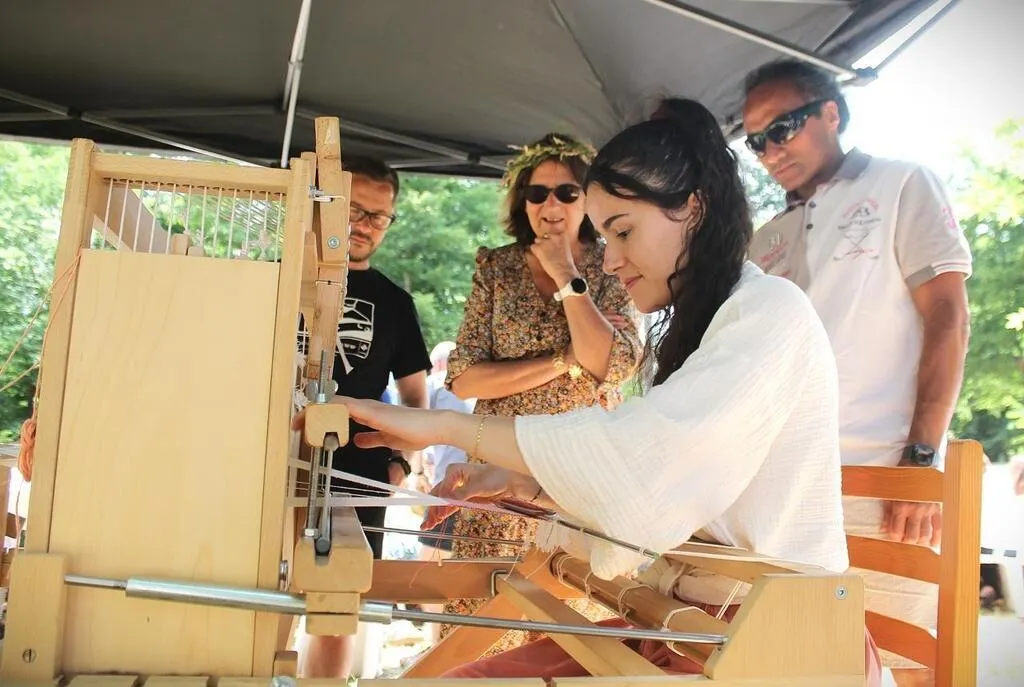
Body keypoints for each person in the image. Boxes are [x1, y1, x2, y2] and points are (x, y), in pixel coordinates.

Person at [293, 98, 882, 684]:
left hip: (773, 643)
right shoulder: (693, 321)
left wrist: (448, 427)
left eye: (623, 232)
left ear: (694, 208)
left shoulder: (770, 311)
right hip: (693, 626)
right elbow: (646, 465)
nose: (615, 260)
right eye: (604, 236)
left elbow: (646, 457)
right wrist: (527, 481)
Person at [740, 59, 972, 669]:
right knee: (798, 666)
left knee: (904, 662)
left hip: (884, 482)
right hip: (785, 487)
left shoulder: (902, 184)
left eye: (781, 128)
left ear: (830, 113)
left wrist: (920, 459)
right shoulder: (764, 239)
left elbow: (948, 318)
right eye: (755, 141)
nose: (769, 151)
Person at [440, 132, 643, 651]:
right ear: (522, 201)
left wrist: (567, 276)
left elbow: (615, 366)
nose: (550, 205)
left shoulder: (613, 264)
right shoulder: (496, 267)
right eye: (537, 193)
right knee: (479, 627)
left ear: (588, 200)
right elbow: (463, 377)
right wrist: (566, 360)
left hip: (577, 474)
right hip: (495, 464)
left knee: (568, 633)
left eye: (567, 192)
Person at [295, 155, 433, 679]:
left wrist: (399, 462)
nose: (364, 225)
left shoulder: (395, 303)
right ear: (325, 204)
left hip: (356, 478)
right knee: (259, 597)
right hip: (270, 464)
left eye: (378, 216)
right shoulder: (280, 278)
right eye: (353, 209)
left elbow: (417, 403)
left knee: (335, 613)